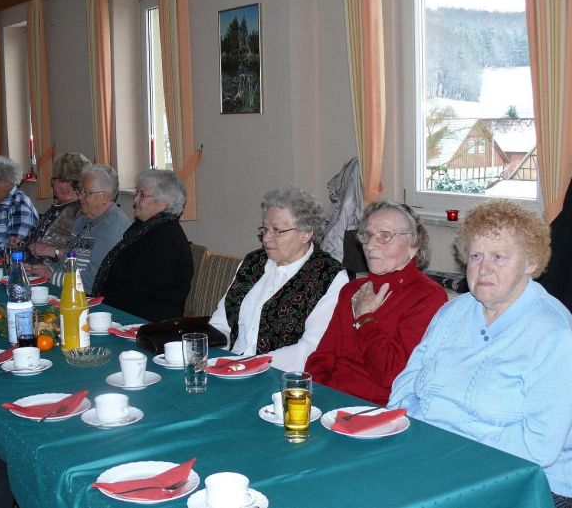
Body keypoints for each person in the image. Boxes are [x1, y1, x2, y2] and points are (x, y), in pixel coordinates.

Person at [389, 199, 572, 506]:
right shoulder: (452, 313)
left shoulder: (554, 334)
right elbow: (405, 387)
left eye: (499, 257)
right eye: (476, 256)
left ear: (530, 263)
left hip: (525, 481)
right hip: (434, 457)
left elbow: (539, 447)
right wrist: (424, 434)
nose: (484, 269)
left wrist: (451, 440)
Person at [305, 201, 447, 405]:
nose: (370, 245)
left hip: (377, 409)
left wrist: (365, 319)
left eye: (385, 236)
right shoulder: (352, 290)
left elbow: (391, 374)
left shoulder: (428, 296)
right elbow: (323, 357)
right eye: (367, 235)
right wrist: (311, 396)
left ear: (413, 246)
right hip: (329, 400)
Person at [209, 188, 348, 372]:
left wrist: (249, 365)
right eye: (265, 229)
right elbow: (221, 324)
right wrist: (206, 356)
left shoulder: (329, 276)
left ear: (306, 233)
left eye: (277, 231)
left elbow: (311, 347)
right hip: (232, 369)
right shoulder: (252, 263)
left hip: (283, 377)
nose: (266, 238)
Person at [91, 169, 193, 322]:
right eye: (136, 193)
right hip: (123, 310)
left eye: (142, 195)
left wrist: (101, 309)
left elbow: (139, 292)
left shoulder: (167, 240)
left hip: (147, 322)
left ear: (163, 202)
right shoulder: (143, 228)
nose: (135, 200)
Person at [28, 164, 130, 293]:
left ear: (104, 197)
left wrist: (50, 276)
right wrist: (40, 269)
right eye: (80, 191)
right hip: (72, 291)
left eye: (86, 193)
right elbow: (67, 263)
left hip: (96, 299)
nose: (80, 197)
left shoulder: (112, 228)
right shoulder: (82, 221)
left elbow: (94, 282)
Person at [23, 152, 91, 262]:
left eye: (54, 179)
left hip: (48, 266)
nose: (52, 184)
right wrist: (22, 242)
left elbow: (76, 250)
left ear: (68, 182)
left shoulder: (79, 212)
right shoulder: (58, 205)